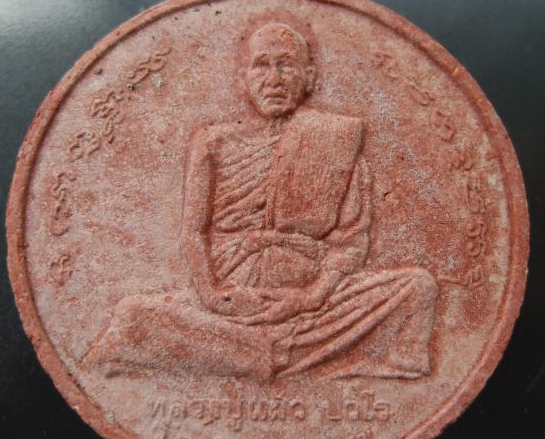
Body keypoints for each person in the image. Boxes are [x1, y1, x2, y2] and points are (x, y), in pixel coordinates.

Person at [86, 22, 438, 381]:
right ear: (245, 79)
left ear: (309, 77)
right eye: (261, 66)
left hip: (314, 303)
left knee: (417, 287)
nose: (274, 79)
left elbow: (350, 242)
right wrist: (212, 295)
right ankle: (278, 353)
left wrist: (311, 296)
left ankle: (252, 354)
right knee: (133, 315)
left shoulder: (336, 139)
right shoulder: (213, 142)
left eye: (286, 65)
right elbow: (193, 232)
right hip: (231, 299)